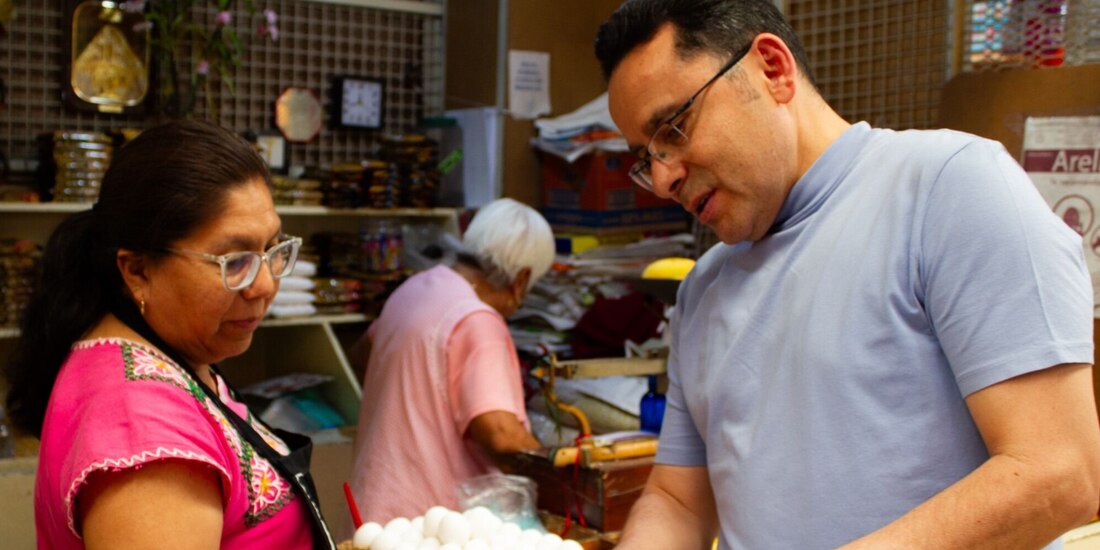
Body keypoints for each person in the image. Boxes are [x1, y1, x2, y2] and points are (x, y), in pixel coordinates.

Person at [595, 1, 1100, 548]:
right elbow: (678, 501)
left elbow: (1060, 471)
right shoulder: (704, 289)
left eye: (674, 128)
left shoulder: (947, 188)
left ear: (772, 68)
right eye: (646, 157)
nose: (665, 177)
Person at [4, 120, 335, 549]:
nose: (265, 286)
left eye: (273, 249)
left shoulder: (166, 349)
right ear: (138, 270)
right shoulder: (143, 432)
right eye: (234, 261)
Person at [348, 198, 555, 523]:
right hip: (433, 522)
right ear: (521, 280)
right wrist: (558, 472)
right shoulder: (477, 320)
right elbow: (501, 436)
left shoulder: (414, 289)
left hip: (375, 505)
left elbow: (363, 354)